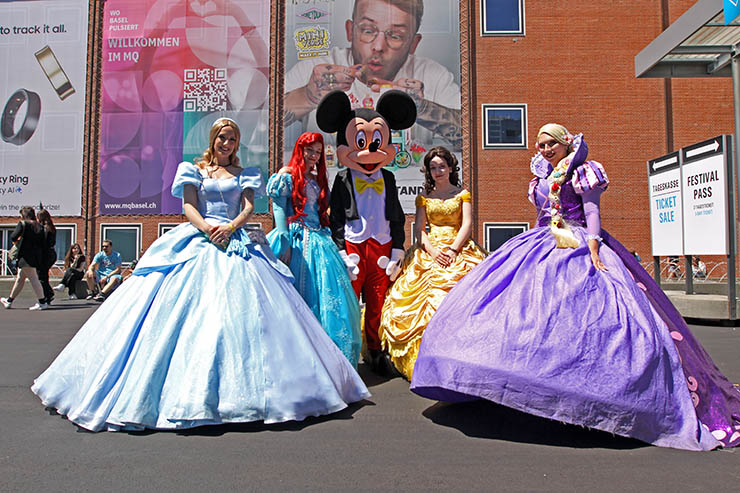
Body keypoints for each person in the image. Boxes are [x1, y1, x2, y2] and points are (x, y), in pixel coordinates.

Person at [410, 124, 740, 450]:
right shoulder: (540, 178)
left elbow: (592, 211)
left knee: (586, 314)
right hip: (540, 245)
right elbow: (542, 215)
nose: (545, 149)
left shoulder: (583, 172)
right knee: (522, 311)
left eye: (551, 143)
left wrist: (594, 246)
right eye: (540, 145)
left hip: (580, 242)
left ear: (566, 143)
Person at [31, 117, 369, 432]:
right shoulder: (194, 169)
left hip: (236, 238)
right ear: (214, 139)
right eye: (223, 137)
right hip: (201, 236)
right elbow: (188, 206)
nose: (227, 143)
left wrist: (232, 227)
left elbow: (250, 206)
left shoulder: (245, 172)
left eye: (233, 139)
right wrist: (208, 228)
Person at [284, 0, 462, 150]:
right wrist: (307, 95)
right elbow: (262, 130)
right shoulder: (315, 70)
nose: (378, 46)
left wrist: (421, 108)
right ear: (350, 31)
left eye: (396, 36)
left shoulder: (433, 76)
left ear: (413, 44)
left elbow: (474, 140)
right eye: (368, 31)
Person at [379, 147, 486, 379]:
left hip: (458, 247)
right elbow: (419, 229)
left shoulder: (462, 194)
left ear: (450, 168)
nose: (438, 171)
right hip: (430, 250)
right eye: (433, 167)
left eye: (442, 166)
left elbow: (467, 224)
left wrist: (452, 249)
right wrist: (434, 251)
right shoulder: (424, 197)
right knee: (411, 296)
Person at [266, 132, 362, 367]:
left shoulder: (317, 178)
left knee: (327, 296)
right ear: (300, 149)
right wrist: (284, 238)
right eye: (310, 150)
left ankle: (327, 358)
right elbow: (279, 209)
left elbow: (323, 210)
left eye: (318, 152)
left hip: (319, 238)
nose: (314, 156)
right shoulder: (286, 176)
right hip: (296, 237)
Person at [1, 207, 48, 310]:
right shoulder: (40, 226)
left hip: (25, 256)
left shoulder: (23, 224)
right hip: (36, 256)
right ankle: (9, 301)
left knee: (33, 279)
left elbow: (13, 236)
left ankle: (42, 302)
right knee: (20, 279)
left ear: (24, 215)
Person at [36, 209, 57, 305]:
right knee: (44, 275)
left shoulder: (43, 228)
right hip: (51, 253)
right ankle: (48, 294)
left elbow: (42, 243)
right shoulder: (51, 227)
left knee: (41, 276)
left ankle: (47, 295)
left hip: (45, 254)